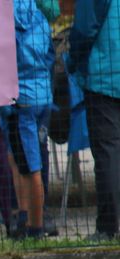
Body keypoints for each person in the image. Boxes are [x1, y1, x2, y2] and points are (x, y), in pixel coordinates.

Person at [0, 0, 56, 238]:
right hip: (42, 97)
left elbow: (0, 62)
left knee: (30, 167)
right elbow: (50, 56)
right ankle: (26, 217)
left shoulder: (2, 21)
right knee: (25, 159)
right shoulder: (40, 17)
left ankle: (35, 227)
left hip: (20, 100)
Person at [70, 0, 120, 241]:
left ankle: (109, 226)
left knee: (108, 153)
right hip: (107, 73)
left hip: (104, 76)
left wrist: (73, 60)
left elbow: (84, 28)